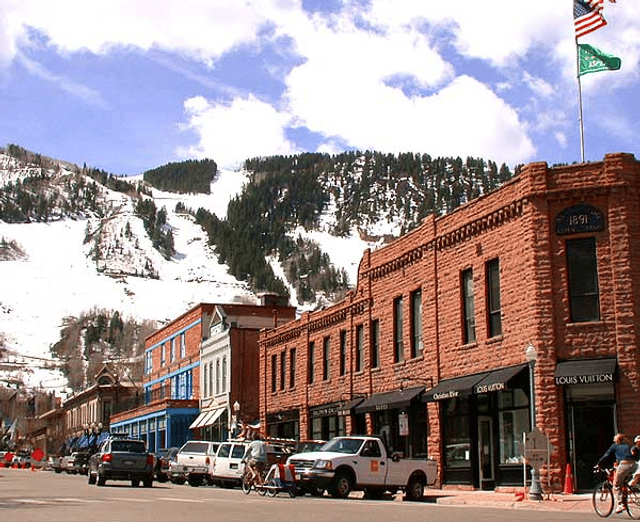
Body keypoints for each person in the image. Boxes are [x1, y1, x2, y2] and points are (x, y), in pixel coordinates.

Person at [598, 433, 636, 513]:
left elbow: (607, 455)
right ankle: (626, 494)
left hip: (624, 465)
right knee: (623, 483)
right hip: (633, 465)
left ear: (616, 440)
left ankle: (620, 504)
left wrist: (599, 464)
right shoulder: (628, 445)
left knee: (616, 485)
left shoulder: (615, 446)